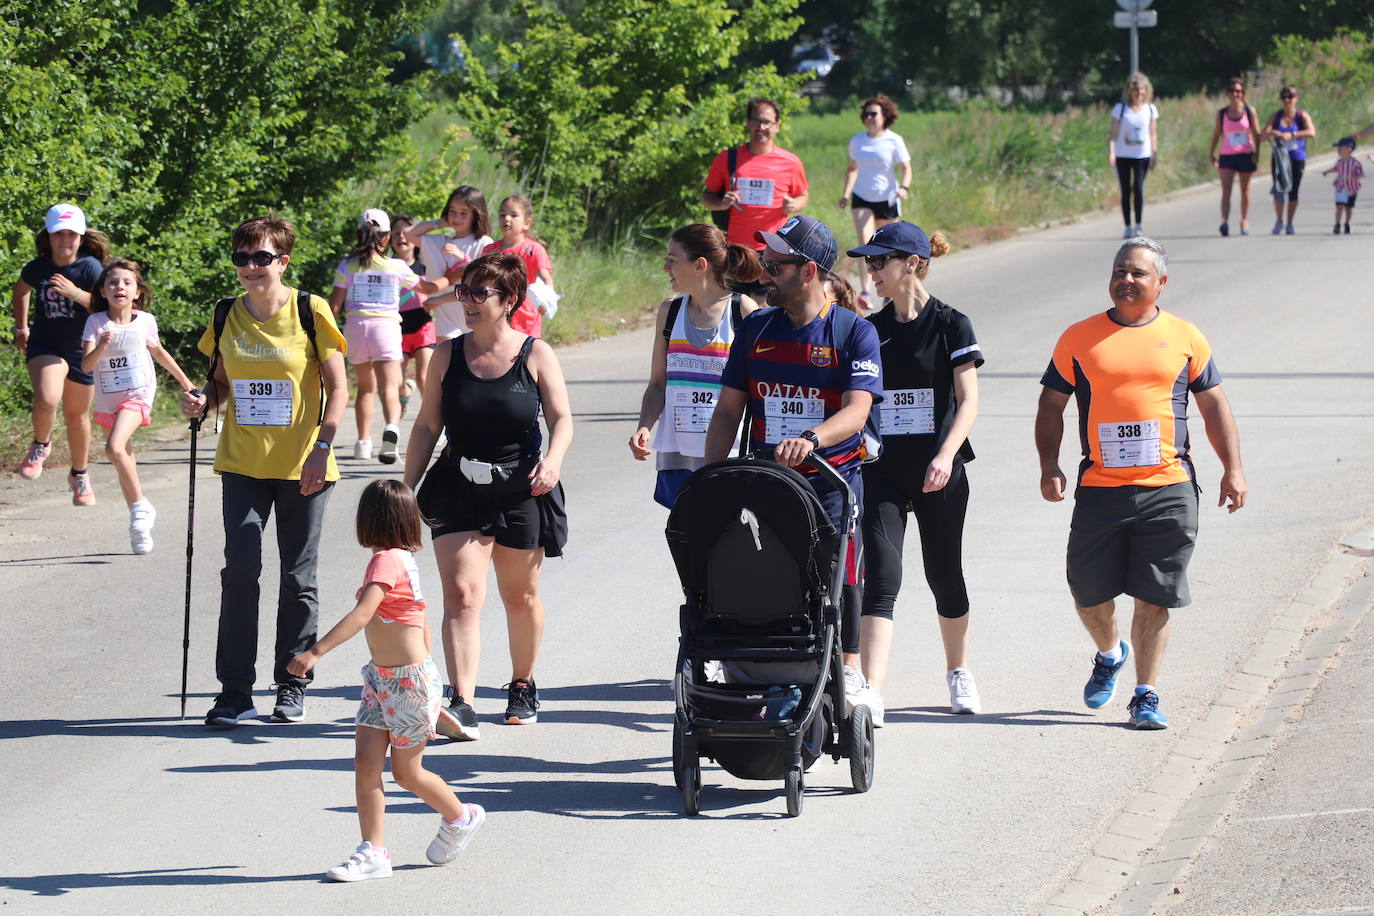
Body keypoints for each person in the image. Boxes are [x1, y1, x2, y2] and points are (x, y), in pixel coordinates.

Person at [1035, 237, 1247, 730]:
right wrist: (1050, 465)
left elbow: (1214, 406)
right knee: (1088, 595)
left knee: (1155, 596)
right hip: (1100, 489)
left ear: (1161, 283)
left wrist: (1231, 468)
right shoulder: (1078, 338)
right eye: (1119, 271)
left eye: (1137, 273)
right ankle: (1110, 652)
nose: (1126, 280)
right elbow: (1051, 406)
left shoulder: (1185, 337)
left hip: (1168, 487)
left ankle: (1145, 694)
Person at [703, 215, 884, 711]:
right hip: (767, 482)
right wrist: (708, 481)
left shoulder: (854, 332)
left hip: (830, 483)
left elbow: (857, 410)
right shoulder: (756, 328)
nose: (763, 273)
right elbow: (727, 413)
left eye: (774, 265)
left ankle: (850, 674)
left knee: (841, 575)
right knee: (760, 572)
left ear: (808, 272)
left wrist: (811, 437)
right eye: (764, 261)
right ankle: (756, 665)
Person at [180, 215, 349, 728]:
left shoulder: (309, 309)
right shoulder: (226, 312)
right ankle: (234, 692)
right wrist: (201, 400)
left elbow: (340, 388)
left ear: (283, 261)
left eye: (262, 258)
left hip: (304, 463)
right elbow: (221, 382)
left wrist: (322, 446)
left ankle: (291, 683)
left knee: (297, 577)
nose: (250, 267)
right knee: (240, 573)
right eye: (242, 258)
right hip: (243, 463)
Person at [403, 252, 572, 739]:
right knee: (460, 594)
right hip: (458, 484)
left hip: (522, 486)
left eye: (481, 294)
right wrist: (404, 487)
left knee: (520, 596)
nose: (469, 302)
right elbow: (427, 424)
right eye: (464, 291)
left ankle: (523, 683)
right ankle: (463, 700)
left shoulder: (535, 354)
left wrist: (554, 460)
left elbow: (561, 420)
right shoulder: (446, 353)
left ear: (510, 301)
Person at [287, 480, 485, 883]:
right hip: (383, 679)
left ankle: (461, 816)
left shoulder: (386, 562)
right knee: (366, 764)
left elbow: (363, 614)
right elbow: (420, 615)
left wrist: (314, 653)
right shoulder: (400, 559)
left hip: (406, 682)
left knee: (407, 774)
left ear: (371, 520)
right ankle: (373, 851)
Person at [845, 222, 983, 723]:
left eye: (881, 261)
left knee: (944, 575)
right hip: (882, 472)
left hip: (940, 471)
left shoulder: (952, 324)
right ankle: (872, 691)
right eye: (870, 262)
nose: (872, 270)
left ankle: (958, 671)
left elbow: (968, 400)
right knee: (881, 577)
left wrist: (946, 455)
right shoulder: (871, 329)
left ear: (913, 263)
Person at [628, 223, 762, 508]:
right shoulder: (670, 311)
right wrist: (644, 426)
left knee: (729, 543)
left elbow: (760, 389)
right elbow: (657, 384)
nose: (665, 267)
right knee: (687, 540)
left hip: (730, 453)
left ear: (700, 265)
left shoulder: (743, 311)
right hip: (678, 455)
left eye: (672, 260)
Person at [79, 259, 198, 554]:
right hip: (109, 397)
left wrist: (188, 385)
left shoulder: (145, 321)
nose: (120, 287)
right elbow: (85, 365)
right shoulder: (96, 322)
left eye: (127, 283)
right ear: (103, 292)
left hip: (138, 393)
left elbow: (159, 352)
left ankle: (140, 510)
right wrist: (102, 346)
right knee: (124, 458)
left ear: (137, 292)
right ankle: (140, 517)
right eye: (113, 282)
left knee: (114, 448)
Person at [330, 209, 450, 463]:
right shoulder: (395, 266)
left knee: (365, 389)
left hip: (356, 327)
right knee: (390, 388)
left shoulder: (347, 266)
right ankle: (392, 428)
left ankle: (363, 443)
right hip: (385, 328)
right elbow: (427, 289)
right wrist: (453, 275)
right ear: (385, 238)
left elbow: (334, 307)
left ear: (357, 235)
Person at [12, 204, 109, 503]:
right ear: (49, 236)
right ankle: (41, 444)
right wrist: (21, 328)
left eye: (71, 234)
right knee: (47, 397)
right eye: (58, 234)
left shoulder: (90, 267)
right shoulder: (38, 267)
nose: (64, 241)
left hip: (83, 350)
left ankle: (79, 474)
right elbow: (21, 291)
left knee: (77, 415)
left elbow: (107, 304)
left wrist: (75, 293)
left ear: (81, 236)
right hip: (46, 345)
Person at [702, 97, 810, 252]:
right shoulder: (726, 158)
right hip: (736, 249)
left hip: (775, 250)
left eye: (767, 122)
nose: (761, 127)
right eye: (756, 121)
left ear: (777, 126)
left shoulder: (790, 162)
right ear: (747, 123)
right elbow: (707, 197)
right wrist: (721, 204)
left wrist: (793, 205)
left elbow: (803, 197)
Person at [839, 93, 912, 301]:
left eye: (874, 114)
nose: (870, 117)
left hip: (887, 198)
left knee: (887, 246)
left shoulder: (894, 140)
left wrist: (904, 187)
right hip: (861, 196)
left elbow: (906, 168)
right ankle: (864, 291)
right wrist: (845, 194)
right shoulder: (857, 141)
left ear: (884, 116)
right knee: (865, 240)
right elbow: (852, 169)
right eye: (867, 114)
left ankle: (889, 289)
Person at [404, 186, 494, 342]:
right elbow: (408, 233)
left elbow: (483, 280)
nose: (456, 218)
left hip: (476, 316)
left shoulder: (484, 243)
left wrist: (464, 258)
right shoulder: (440, 242)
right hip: (447, 319)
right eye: (452, 211)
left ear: (476, 215)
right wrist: (440, 223)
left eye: (463, 213)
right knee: (448, 362)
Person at [481, 195, 554, 339]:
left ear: (527, 223)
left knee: (523, 359)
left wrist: (547, 301)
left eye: (514, 215)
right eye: (502, 214)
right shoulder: (489, 250)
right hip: (495, 317)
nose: (507, 218)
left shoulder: (533, 249)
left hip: (525, 319)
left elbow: (546, 279)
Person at [389, 215, 434, 414]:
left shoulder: (426, 266)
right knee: (397, 380)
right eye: (397, 232)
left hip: (423, 325)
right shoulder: (387, 267)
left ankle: (434, 422)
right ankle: (405, 391)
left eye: (407, 232)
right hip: (396, 329)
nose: (402, 236)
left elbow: (437, 288)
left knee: (424, 378)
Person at [1208, 78, 1262, 237]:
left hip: (1245, 155)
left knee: (1245, 190)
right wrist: (1211, 152)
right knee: (1226, 190)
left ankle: (1244, 220)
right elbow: (1216, 134)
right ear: (1227, 94)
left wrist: (1257, 153)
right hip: (1227, 155)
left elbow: (1256, 134)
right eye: (1232, 91)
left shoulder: (1249, 111)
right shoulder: (1222, 113)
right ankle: (1224, 221)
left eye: (1238, 91)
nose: (1235, 94)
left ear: (1242, 93)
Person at [1108, 72, 1159, 239]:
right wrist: (1112, 152)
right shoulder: (1120, 109)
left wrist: (1154, 153)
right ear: (1130, 91)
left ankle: (1138, 224)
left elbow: (1153, 133)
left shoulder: (1150, 109)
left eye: (1142, 89)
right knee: (1125, 190)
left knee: (1137, 188)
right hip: (1123, 155)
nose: (1139, 93)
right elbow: (1113, 133)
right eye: (1136, 89)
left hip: (1142, 155)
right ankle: (1127, 225)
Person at [1264, 85, 1317, 235]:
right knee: (1279, 189)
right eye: (1284, 97)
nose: (1287, 100)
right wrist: (1273, 132)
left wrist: (1293, 134)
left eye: (1290, 97)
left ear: (1296, 98)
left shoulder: (1301, 116)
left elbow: (1311, 132)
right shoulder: (1276, 117)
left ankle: (1290, 223)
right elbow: (1263, 136)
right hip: (1280, 157)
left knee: (1294, 191)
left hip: (1296, 156)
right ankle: (1279, 220)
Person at [1322, 137, 1363, 234]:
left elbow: (1360, 173)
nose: (1338, 151)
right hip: (1340, 187)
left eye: (1340, 149)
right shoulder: (1339, 162)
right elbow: (1335, 169)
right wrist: (1327, 171)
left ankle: (1347, 223)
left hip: (1351, 189)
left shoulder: (1355, 163)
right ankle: (1337, 224)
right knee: (1339, 206)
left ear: (1349, 149)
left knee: (1348, 207)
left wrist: (1356, 176)